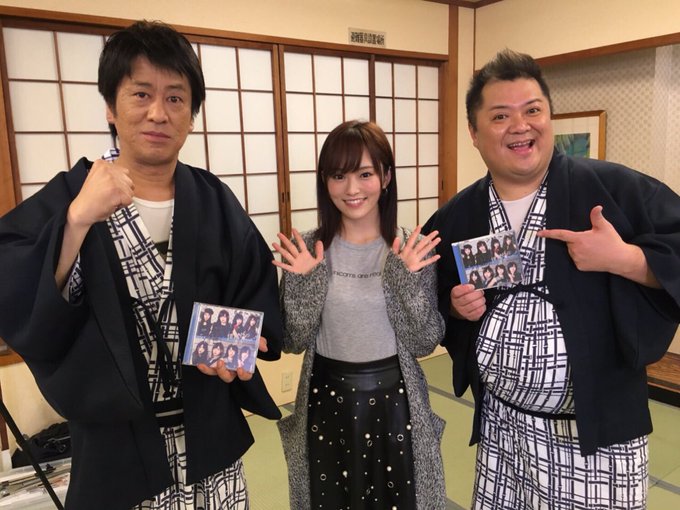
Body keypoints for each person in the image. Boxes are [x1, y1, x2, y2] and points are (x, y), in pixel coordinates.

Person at [0, 21, 283, 510]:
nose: (158, 112)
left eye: (175, 98)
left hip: (211, 443)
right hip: (117, 456)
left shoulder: (214, 201)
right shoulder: (72, 198)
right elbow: (15, 287)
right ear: (110, 107)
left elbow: (254, 289)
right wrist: (76, 221)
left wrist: (239, 348)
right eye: (141, 94)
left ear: (191, 116)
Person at [424, 49, 680, 510]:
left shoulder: (612, 188)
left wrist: (625, 258)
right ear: (474, 133)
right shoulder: (458, 215)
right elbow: (433, 295)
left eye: (532, 110)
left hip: (595, 436)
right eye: (500, 116)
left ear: (549, 117)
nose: (520, 126)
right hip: (503, 429)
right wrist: (455, 306)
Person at [273, 120, 447, 510]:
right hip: (325, 404)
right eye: (339, 176)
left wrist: (406, 280)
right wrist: (305, 282)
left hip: (397, 407)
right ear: (325, 181)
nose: (352, 189)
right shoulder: (308, 249)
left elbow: (424, 342)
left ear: (386, 176)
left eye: (365, 174)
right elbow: (293, 341)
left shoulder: (412, 248)